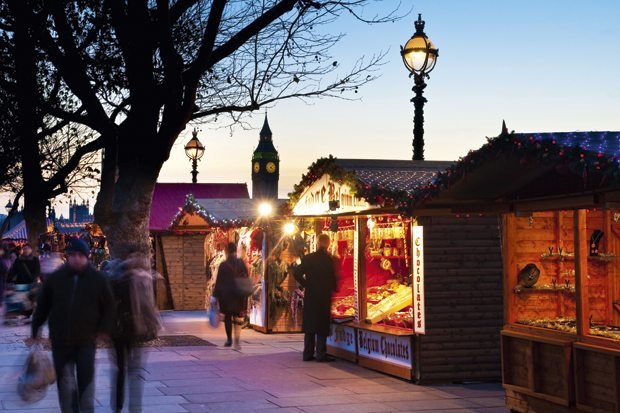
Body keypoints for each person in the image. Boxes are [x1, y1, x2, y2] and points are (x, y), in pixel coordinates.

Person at [29, 237, 116, 413]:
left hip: (86, 339)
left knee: (86, 379)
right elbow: (43, 307)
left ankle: (86, 409)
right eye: (73, 255)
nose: (77, 258)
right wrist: (35, 330)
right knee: (65, 382)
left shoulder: (98, 279)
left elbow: (109, 306)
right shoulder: (56, 278)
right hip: (61, 339)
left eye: (80, 255)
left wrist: (104, 330)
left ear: (87, 257)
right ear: (67, 256)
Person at [108, 251, 157, 413]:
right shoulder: (116, 278)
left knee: (133, 370)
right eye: (133, 257)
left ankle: (133, 406)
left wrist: (153, 323)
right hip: (119, 329)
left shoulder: (141, 279)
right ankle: (118, 405)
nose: (135, 260)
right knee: (122, 369)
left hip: (135, 329)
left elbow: (147, 304)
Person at [292, 233, 338, 362]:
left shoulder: (308, 258)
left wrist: (307, 284)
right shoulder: (329, 260)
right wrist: (334, 288)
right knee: (322, 325)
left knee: (310, 325)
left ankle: (307, 353)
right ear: (328, 244)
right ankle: (321, 353)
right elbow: (332, 278)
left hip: (311, 295)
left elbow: (297, 273)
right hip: (323, 295)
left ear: (317, 243)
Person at [212, 242, 249, 349]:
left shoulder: (223, 265)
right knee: (237, 317)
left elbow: (219, 282)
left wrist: (215, 296)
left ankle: (229, 339)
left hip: (226, 295)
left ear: (227, 251)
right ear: (235, 251)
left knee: (228, 317)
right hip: (238, 294)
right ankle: (237, 339)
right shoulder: (241, 262)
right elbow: (246, 275)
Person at [7, 242, 41, 321]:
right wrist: (10, 279)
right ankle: (25, 314)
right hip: (20, 282)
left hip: (31, 282)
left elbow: (37, 270)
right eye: (24, 249)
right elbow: (13, 270)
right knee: (22, 299)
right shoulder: (18, 260)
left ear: (31, 250)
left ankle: (31, 314)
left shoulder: (35, 259)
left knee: (31, 299)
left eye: (27, 249)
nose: (25, 250)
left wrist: (34, 278)